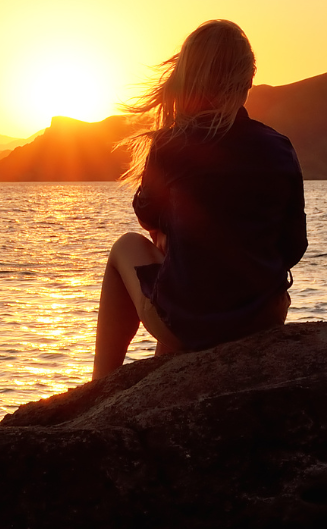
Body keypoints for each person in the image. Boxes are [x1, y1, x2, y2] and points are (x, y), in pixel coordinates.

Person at [92, 20, 307, 380]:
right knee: (177, 250)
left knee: (125, 247)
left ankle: (99, 385)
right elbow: (293, 246)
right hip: (264, 316)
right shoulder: (278, 146)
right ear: (247, 80)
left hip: (189, 322)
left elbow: (146, 213)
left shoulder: (172, 145)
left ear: (185, 77)